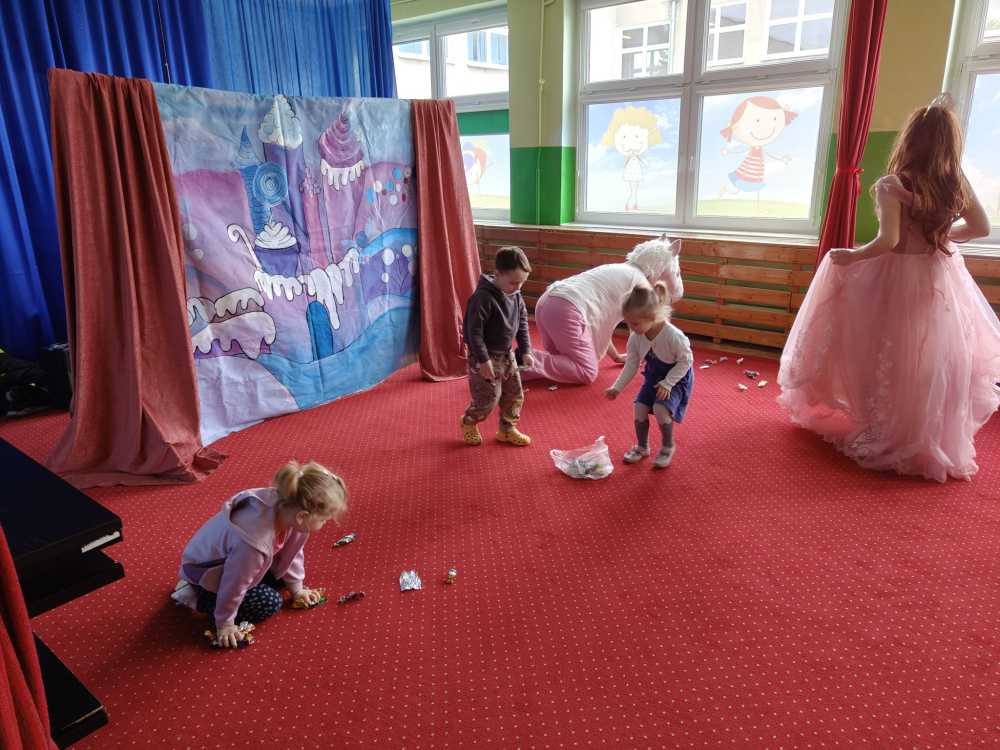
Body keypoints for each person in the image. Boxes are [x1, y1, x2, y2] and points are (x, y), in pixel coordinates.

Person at [778, 95, 1000, 482]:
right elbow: (981, 228)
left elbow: (889, 241)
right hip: (940, 274)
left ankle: (889, 429)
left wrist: (851, 256)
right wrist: (944, 236)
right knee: (932, 355)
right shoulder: (955, 182)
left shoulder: (894, 184)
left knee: (887, 350)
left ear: (909, 139)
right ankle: (926, 432)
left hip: (898, 277)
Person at [171, 460, 347, 647]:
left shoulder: (288, 508)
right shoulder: (252, 543)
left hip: (241, 564)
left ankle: (225, 594)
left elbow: (291, 554)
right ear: (302, 516)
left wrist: (297, 589)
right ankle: (196, 597)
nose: (325, 524)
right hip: (207, 576)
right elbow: (234, 583)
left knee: (283, 574)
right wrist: (225, 624)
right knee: (269, 603)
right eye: (324, 520)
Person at [522, 236, 683, 385]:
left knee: (562, 358)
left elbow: (603, 325)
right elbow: (649, 329)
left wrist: (616, 356)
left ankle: (520, 366)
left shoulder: (618, 269)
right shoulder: (640, 286)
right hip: (567, 310)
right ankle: (523, 361)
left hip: (547, 302)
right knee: (586, 371)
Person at [605, 282, 694, 468]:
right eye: (628, 323)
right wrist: (617, 387)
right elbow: (631, 364)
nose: (631, 328)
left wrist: (668, 383)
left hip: (676, 377)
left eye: (635, 323)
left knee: (661, 409)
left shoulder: (674, 336)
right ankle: (642, 447)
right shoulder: (636, 336)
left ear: (652, 317)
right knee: (639, 407)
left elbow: (686, 361)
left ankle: (667, 447)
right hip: (653, 375)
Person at [461, 246, 534, 447]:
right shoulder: (482, 298)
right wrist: (483, 361)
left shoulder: (515, 294)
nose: (518, 287)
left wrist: (525, 350)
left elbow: (522, 323)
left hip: (507, 355)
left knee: (514, 395)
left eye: (522, 283)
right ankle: (469, 421)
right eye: (513, 282)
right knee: (488, 399)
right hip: (484, 357)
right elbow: (473, 333)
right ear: (498, 274)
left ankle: (506, 429)